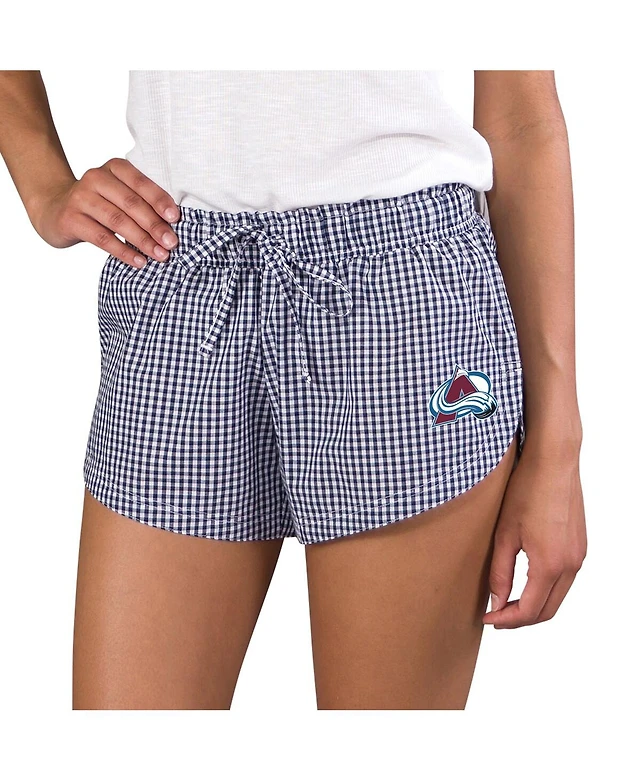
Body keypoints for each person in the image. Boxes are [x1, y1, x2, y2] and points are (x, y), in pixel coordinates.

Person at [0, 70, 586, 710]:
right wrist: (44, 186)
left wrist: (557, 450)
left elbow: (521, 117)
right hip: (176, 271)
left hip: (398, 304)